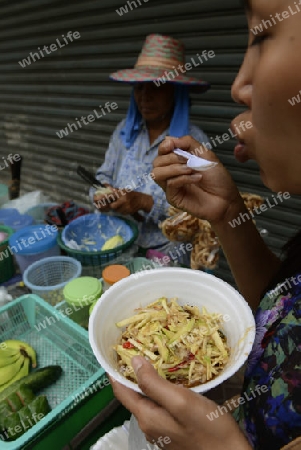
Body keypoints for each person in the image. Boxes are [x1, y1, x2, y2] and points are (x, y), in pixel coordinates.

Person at [110, 1, 301, 449]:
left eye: (261, 36)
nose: (240, 87)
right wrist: (227, 212)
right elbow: (279, 303)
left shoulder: (184, 136)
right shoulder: (124, 134)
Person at [91, 33, 210, 252]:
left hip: (166, 252)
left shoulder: (195, 144)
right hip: (120, 243)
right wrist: (102, 193)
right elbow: (102, 176)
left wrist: (146, 202)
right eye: (139, 87)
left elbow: (201, 214)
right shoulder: (123, 133)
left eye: (156, 86)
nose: (144, 96)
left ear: (176, 92)